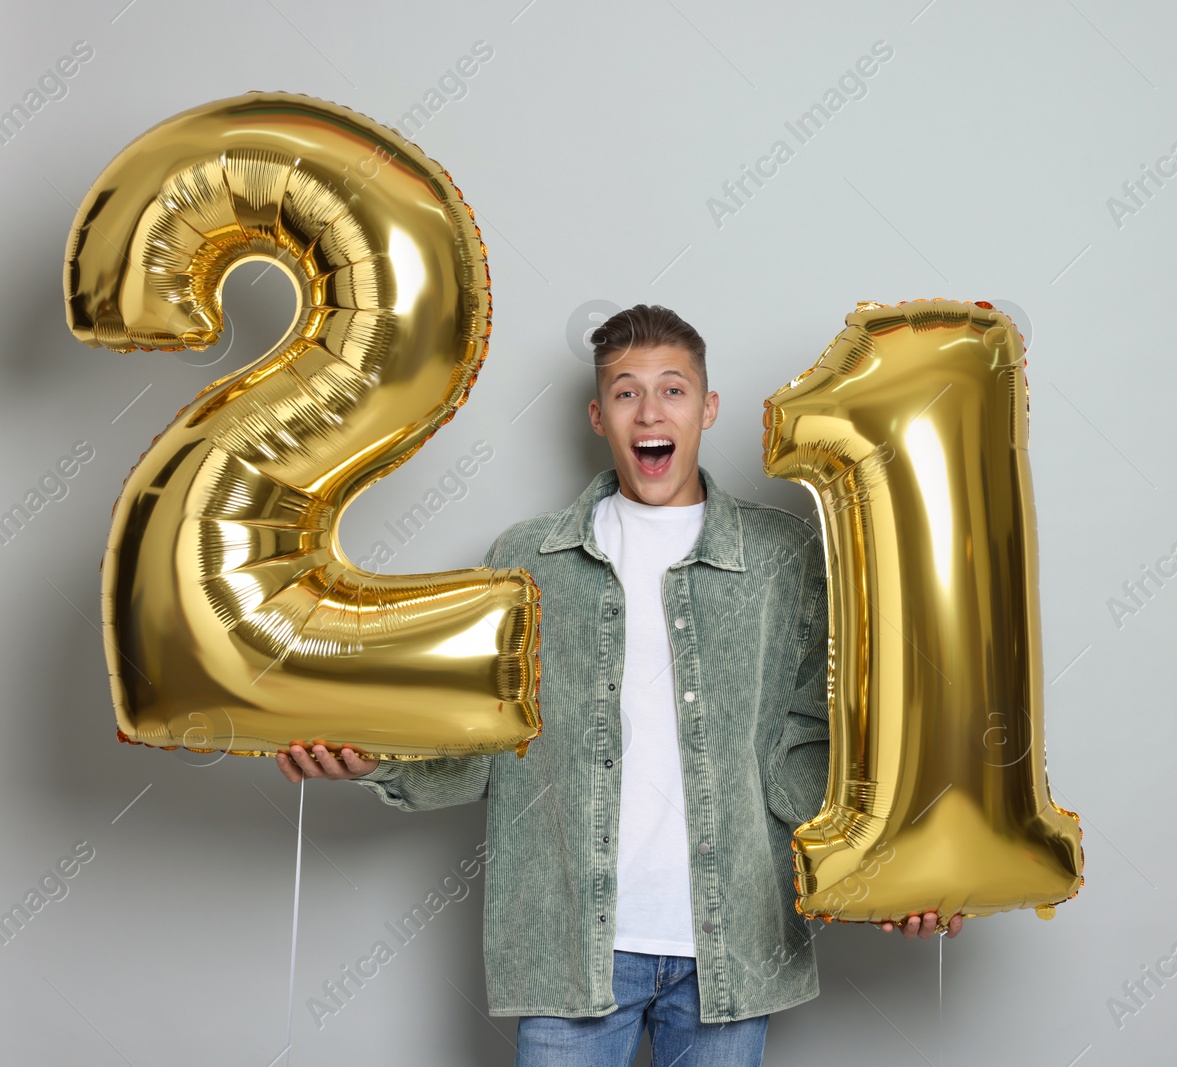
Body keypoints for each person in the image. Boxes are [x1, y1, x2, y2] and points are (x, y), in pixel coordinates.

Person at [276, 304, 961, 1066]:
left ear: (708, 408)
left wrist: (894, 873)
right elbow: (482, 749)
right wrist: (377, 761)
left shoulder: (784, 554)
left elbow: (811, 750)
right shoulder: (527, 558)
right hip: (568, 950)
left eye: (673, 389)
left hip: (733, 945)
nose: (651, 409)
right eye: (627, 392)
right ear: (598, 416)